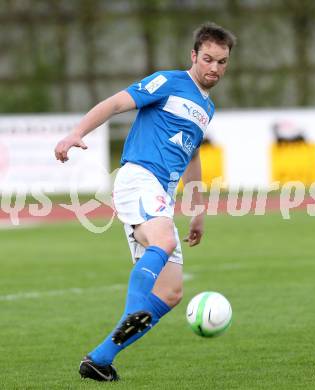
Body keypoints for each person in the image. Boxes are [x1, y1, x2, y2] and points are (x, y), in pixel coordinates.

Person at [55, 21, 236, 382]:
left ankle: (100, 360)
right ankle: (134, 310)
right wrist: (76, 133)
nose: (214, 68)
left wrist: (198, 210)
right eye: (208, 59)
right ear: (193, 55)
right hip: (139, 177)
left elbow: (193, 157)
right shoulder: (168, 82)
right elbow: (117, 102)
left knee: (170, 292)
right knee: (164, 241)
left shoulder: (207, 108)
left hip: (162, 196)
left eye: (222, 61)